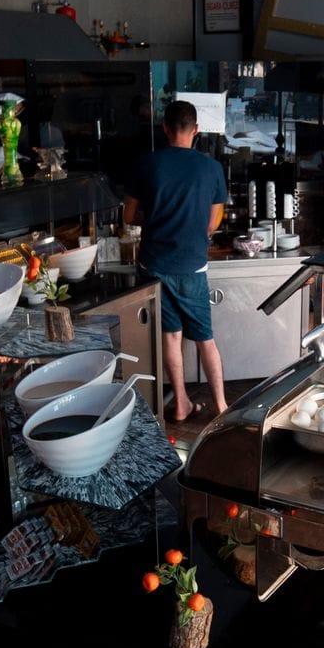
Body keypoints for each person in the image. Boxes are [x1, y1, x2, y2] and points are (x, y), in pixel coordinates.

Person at [125, 100, 230, 422]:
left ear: (165, 128)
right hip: (191, 266)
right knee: (204, 339)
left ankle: (181, 403)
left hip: (154, 264)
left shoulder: (146, 164)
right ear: (196, 130)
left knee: (171, 335)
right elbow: (213, 222)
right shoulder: (211, 168)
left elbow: (129, 216)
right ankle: (222, 407)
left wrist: (156, 218)